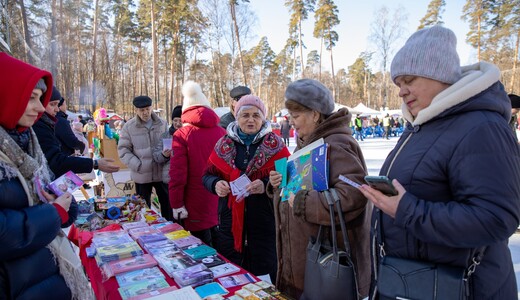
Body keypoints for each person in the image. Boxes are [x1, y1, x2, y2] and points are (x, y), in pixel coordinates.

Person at [358, 26, 520, 300]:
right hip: (414, 283)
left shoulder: (481, 126)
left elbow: (496, 218)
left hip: (463, 288)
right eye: (398, 83)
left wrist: (407, 210)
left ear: (440, 74)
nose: (401, 91)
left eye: (409, 79)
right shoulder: (423, 126)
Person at [267, 79, 372, 298]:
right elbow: (301, 187)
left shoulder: (337, 144)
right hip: (306, 261)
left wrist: (305, 202)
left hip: (325, 266)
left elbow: (353, 195)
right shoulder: (308, 142)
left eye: (295, 116)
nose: (291, 123)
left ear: (315, 114)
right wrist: (279, 183)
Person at [0, 53, 93, 299]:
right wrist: (53, 213)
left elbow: (57, 198)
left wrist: (62, 202)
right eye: (31, 98)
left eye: (41, 99)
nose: (41, 108)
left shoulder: (28, 143)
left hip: (43, 275)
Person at [203, 95, 291, 282]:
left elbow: (289, 178)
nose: (250, 120)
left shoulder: (276, 146)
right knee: (233, 275)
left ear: (263, 118)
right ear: (237, 117)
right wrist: (215, 184)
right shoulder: (223, 144)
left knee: (265, 275)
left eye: (255, 115)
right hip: (229, 224)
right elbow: (206, 176)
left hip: (264, 224)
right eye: (245, 115)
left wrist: (266, 185)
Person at [169, 81, 225, 244]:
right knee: (219, 245)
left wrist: (177, 204)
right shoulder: (222, 132)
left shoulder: (182, 134)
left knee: (199, 250)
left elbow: (177, 174)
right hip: (218, 197)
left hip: (193, 202)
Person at [33, 88, 120, 177]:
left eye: (57, 105)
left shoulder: (47, 123)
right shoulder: (41, 125)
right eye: (52, 104)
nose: (57, 109)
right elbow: (56, 160)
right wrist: (93, 163)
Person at [118, 95, 171, 220]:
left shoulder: (162, 124)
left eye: (147, 109)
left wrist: (166, 154)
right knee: (142, 209)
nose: (145, 113)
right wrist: (138, 165)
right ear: (136, 110)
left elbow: (167, 142)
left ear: (151, 108)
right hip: (142, 174)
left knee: (167, 206)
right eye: (142, 110)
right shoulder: (129, 127)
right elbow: (123, 150)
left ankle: (170, 230)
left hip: (161, 173)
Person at [151, 105, 183, 221]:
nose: (178, 123)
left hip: (184, 180)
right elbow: (156, 156)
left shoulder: (189, 136)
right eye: (175, 120)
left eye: (180, 120)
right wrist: (164, 155)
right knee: (170, 212)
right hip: (168, 180)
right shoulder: (166, 136)